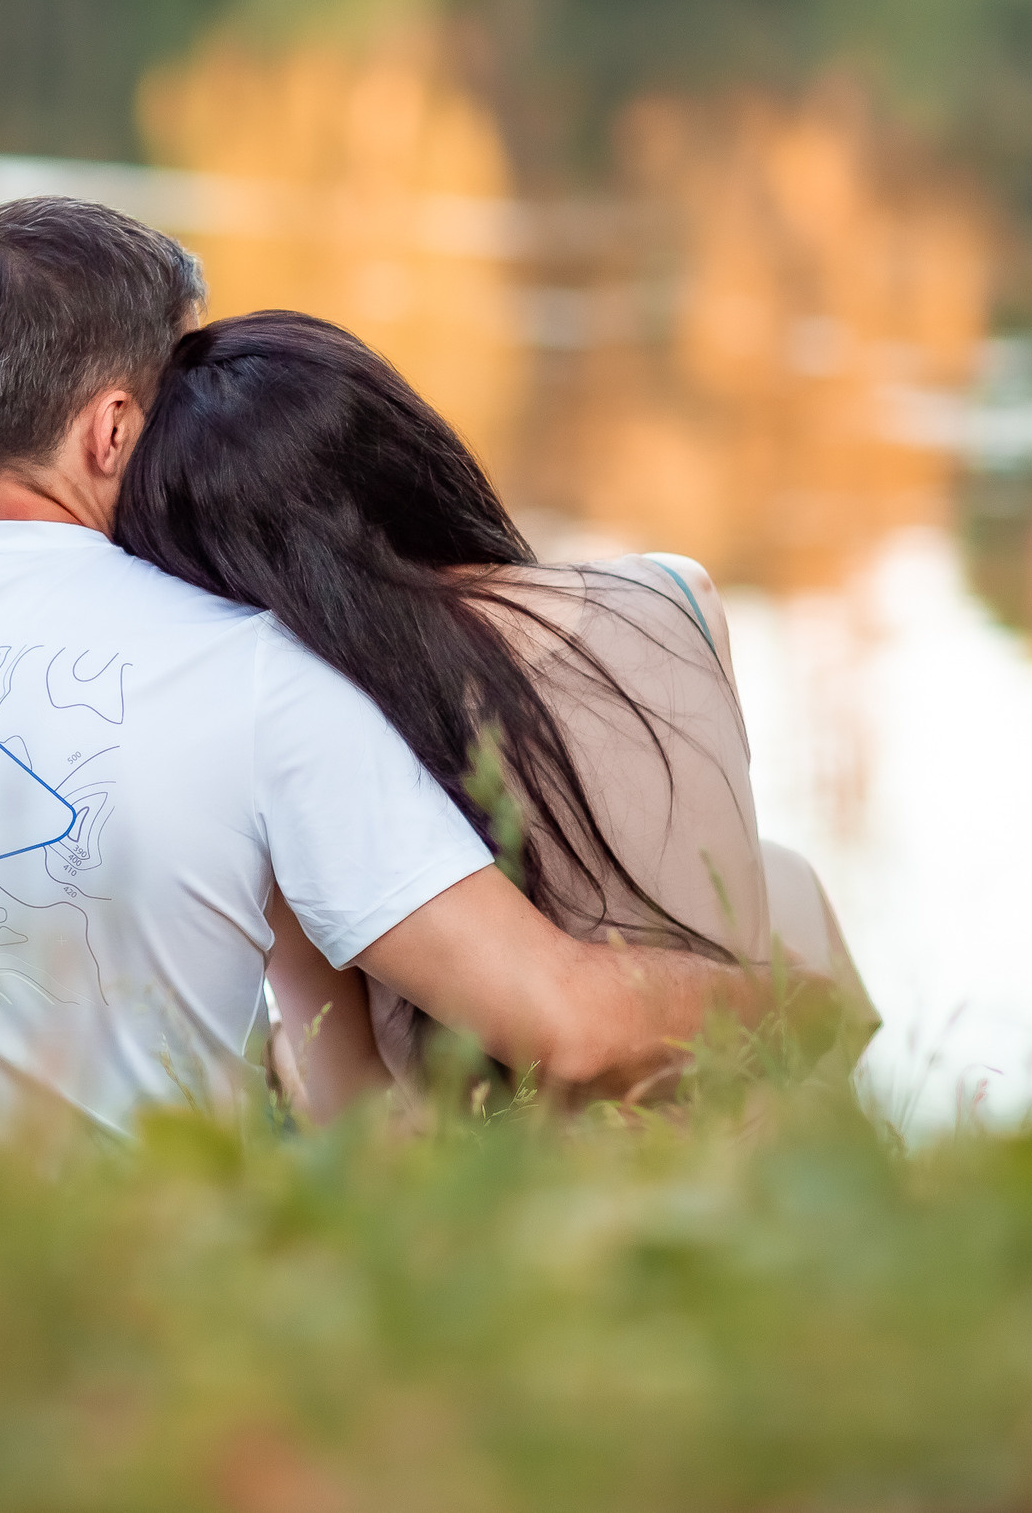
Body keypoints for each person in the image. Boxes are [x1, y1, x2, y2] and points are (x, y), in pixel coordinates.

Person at [0, 197, 823, 1135]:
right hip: (141, 1253)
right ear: (111, 430)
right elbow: (573, 1027)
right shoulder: (258, 675)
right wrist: (780, 998)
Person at [112, 309, 876, 1118]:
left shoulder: (315, 722)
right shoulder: (680, 592)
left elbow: (354, 1116)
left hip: (537, 1192)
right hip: (747, 1109)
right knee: (783, 876)